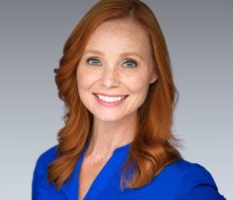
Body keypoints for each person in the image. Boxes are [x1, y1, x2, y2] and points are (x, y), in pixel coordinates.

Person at [32, 0, 226, 199]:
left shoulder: (182, 184)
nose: (109, 81)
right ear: (76, 67)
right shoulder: (48, 167)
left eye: (129, 63)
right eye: (94, 61)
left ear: (154, 72)